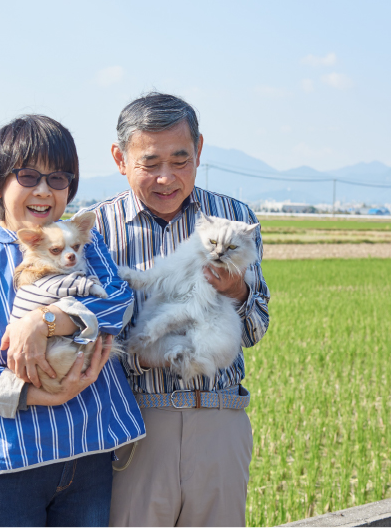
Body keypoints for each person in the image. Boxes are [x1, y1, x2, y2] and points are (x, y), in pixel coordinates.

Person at [0, 115, 145, 527]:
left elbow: (119, 305)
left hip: (88, 454)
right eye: (28, 176)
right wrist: (40, 396)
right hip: (7, 469)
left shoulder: (83, 244)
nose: (44, 190)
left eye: (59, 178)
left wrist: (48, 319)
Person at [80, 93, 270, 527]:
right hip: (132, 427)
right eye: (150, 163)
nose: (166, 178)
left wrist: (238, 290)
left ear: (200, 151)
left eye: (180, 160)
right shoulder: (95, 229)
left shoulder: (234, 219)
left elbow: (256, 326)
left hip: (220, 419)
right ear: (120, 158)